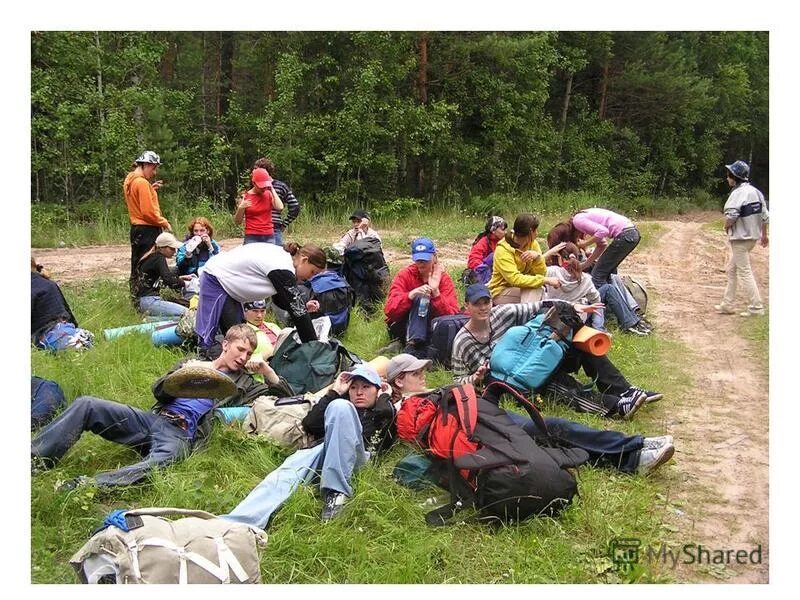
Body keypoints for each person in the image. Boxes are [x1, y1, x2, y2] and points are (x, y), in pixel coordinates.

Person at [31, 325, 290, 491]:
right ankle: (35, 458)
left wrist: (267, 370)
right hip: (154, 419)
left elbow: (286, 397)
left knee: (163, 460)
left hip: (181, 433)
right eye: (240, 349)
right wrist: (183, 376)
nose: (243, 357)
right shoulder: (191, 362)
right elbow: (158, 391)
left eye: (248, 353)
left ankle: (86, 486)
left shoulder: (243, 383)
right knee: (87, 404)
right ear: (226, 345)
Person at [395, 352, 675, 476]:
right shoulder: (400, 406)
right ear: (398, 381)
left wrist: (475, 381)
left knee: (549, 434)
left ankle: (632, 454)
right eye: (415, 373)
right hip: (475, 430)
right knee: (548, 434)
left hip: (483, 415)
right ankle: (633, 451)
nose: (422, 376)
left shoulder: (425, 393)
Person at [451, 283, 661, 419]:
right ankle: (616, 407)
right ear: (466, 306)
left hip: (538, 356)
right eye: (477, 304)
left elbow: (541, 305)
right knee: (558, 386)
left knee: (580, 342)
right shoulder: (462, 341)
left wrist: (573, 307)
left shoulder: (501, 313)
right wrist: (475, 377)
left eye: (486, 302)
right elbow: (457, 380)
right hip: (508, 381)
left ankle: (624, 389)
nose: (483, 308)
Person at [222, 363, 396, 526]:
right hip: (324, 453)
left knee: (342, 408)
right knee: (282, 476)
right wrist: (334, 392)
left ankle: (336, 493)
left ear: (377, 391)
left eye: (366, 387)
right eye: (353, 387)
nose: (359, 392)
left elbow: (378, 428)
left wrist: (385, 399)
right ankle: (235, 523)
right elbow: (310, 424)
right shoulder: (338, 408)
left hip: (358, 460)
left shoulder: (383, 412)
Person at [194, 242, 325, 354]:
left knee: (240, 338)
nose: (311, 277)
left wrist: (302, 306)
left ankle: (237, 372)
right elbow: (298, 314)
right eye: (313, 272)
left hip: (228, 283)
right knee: (227, 340)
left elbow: (281, 300)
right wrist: (314, 348)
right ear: (304, 260)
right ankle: (203, 369)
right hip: (216, 279)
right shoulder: (282, 267)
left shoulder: (284, 263)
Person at [544, 243, 651, 336]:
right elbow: (596, 300)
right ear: (577, 257)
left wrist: (549, 253)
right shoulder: (585, 279)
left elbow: (530, 270)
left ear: (560, 258)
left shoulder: (551, 272)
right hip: (577, 317)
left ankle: (603, 328)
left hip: (554, 315)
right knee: (607, 290)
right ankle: (601, 328)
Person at [383, 237, 460, 357]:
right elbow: (390, 311)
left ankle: (416, 349)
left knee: (425, 300)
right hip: (403, 325)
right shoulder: (404, 275)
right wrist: (410, 295)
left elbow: (452, 315)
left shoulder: (444, 279)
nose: (421, 263)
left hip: (432, 327)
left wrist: (436, 293)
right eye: (418, 259)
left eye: (425, 259)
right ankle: (413, 345)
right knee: (420, 298)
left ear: (434, 257)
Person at [714, 160, 769, 317]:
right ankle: (727, 304)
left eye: (729, 175)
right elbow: (765, 216)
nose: (727, 178)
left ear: (735, 177)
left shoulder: (738, 194)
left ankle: (756, 307)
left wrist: (726, 226)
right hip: (752, 238)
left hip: (740, 239)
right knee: (732, 269)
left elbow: (732, 215)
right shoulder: (756, 192)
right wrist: (764, 235)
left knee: (744, 271)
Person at [487, 213, 565, 305]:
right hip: (501, 291)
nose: (537, 233)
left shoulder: (533, 244)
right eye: (536, 230)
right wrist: (545, 280)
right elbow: (514, 279)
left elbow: (541, 273)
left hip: (522, 288)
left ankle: (528, 313)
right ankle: (527, 315)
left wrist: (538, 258)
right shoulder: (503, 250)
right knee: (536, 290)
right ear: (531, 232)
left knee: (538, 290)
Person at [123, 150, 171, 294]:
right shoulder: (142, 183)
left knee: (137, 263)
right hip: (147, 229)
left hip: (137, 229)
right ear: (145, 165)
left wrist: (151, 189)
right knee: (149, 262)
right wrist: (164, 222)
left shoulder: (130, 180)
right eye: (153, 167)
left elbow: (137, 200)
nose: (154, 172)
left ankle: (135, 295)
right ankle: (146, 296)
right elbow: (148, 212)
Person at [562, 208, 641, 288]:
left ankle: (606, 299)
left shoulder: (577, 220)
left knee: (597, 277)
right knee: (609, 273)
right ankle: (620, 297)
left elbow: (603, 231)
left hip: (625, 235)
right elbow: (602, 244)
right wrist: (585, 264)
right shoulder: (585, 217)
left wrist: (585, 243)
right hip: (632, 233)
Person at [31, 257, 94, 351]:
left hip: (46, 335)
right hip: (65, 328)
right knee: (82, 339)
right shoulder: (49, 284)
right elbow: (67, 311)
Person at [132, 232, 191, 318]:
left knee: (178, 318)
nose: (174, 252)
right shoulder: (159, 258)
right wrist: (185, 284)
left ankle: (148, 319)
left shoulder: (151, 257)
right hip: (149, 300)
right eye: (171, 249)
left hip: (143, 301)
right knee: (188, 314)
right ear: (162, 248)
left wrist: (178, 278)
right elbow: (168, 280)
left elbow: (162, 277)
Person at [252, 157, 301, 245]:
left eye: (255, 170)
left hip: (271, 228)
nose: (253, 172)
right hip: (256, 229)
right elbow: (295, 206)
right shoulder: (280, 186)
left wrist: (284, 224)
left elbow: (295, 206)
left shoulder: (279, 186)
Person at [234, 167, 284, 244]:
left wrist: (272, 190)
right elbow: (237, 222)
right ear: (254, 183)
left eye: (265, 186)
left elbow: (280, 207)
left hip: (269, 235)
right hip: (252, 236)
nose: (263, 188)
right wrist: (241, 208)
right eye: (261, 186)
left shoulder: (268, 194)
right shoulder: (245, 197)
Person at [465, 215, 507, 285]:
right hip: (485, 273)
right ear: (493, 230)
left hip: (499, 270)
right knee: (494, 255)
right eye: (503, 230)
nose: (505, 232)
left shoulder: (505, 241)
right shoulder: (483, 242)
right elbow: (473, 262)